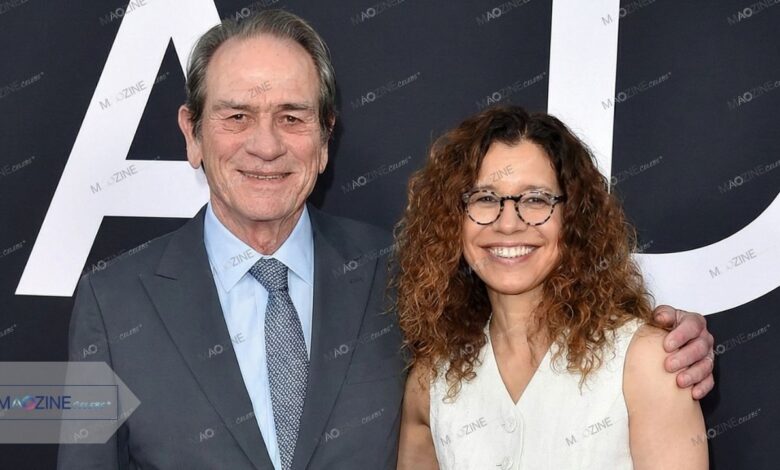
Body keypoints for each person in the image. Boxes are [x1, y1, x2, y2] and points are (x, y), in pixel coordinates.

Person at [58, 10, 713, 470]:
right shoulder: (109, 305)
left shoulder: (408, 276)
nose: (265, 144)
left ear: (325, 137)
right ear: (192, 133)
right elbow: (56, 438)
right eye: (236, 117)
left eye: (292, 116)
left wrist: (675, 335)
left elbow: (538, 312)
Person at [395, 105, 709, 469]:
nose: (508, 223)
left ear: (573, 216)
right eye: (484, 199)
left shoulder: (646, 362)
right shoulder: (431, 381)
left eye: (535, 200)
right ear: (453, 218)